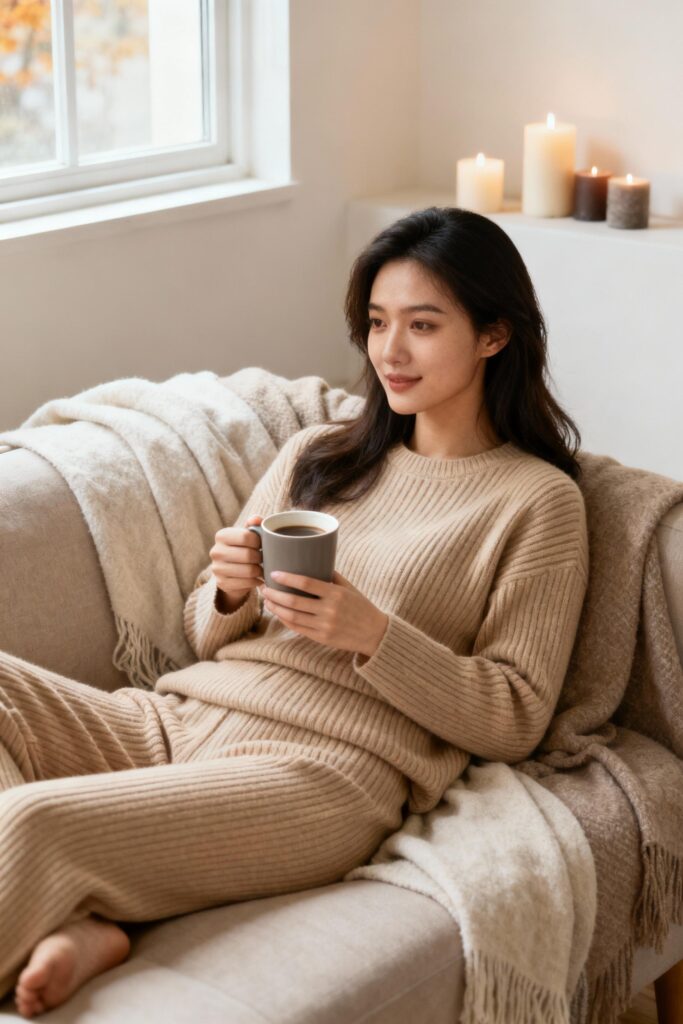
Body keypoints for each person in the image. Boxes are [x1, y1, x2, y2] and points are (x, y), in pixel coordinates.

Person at [0, 206, 589, 1018]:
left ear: (493, 335)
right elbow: (200, 633)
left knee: (34, 825)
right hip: (180, 719)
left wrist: (373, 636)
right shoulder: (321, 456)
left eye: (422, 324)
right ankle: (81, 915)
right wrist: (229, 588)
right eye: (378, 322)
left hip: (322, 773)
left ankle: (71, 893)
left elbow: (516, 714)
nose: (390, 350)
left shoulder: (537, 502)